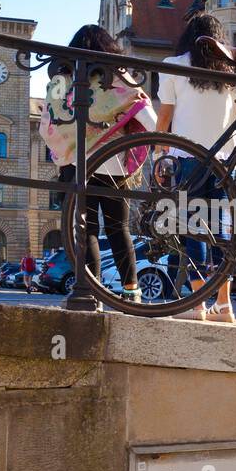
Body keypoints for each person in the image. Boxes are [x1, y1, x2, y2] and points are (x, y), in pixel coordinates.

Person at [155, 13, 236, 323]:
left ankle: (197, 305)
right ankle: (224, 304)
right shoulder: (234, 70)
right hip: (225, 161)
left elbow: (164, 119)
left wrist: (157, 155)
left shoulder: (174, 65)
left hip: (186, 159)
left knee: (193, 231)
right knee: (220, 230)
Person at [43, 24, 155, 303]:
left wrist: (70, 141)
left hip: (75, 164)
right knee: (119, 229)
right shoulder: (117, 76)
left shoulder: (62, 80)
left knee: (86, 229)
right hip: (113, 164)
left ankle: (91, 290)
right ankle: (132, 291)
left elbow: (47, 126)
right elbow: (150, 120)